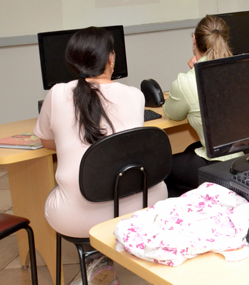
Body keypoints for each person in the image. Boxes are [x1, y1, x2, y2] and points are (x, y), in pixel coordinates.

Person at [33, 27, 168, 284]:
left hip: (78, 216)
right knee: (109, 176)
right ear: (111, 59)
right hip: (140, 205)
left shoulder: (58, 94)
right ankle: (107, 253)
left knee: (57, 189)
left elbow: (45, 141)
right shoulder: (135, 96)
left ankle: (95, 257)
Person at [163, 15, 242, 197]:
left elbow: (173, 114)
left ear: (194, 40)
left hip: (218, 163)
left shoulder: (188, 81)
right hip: (248, 157)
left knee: (164, 169)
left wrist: (192, 70)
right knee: (191, 149)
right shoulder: (241, 68)